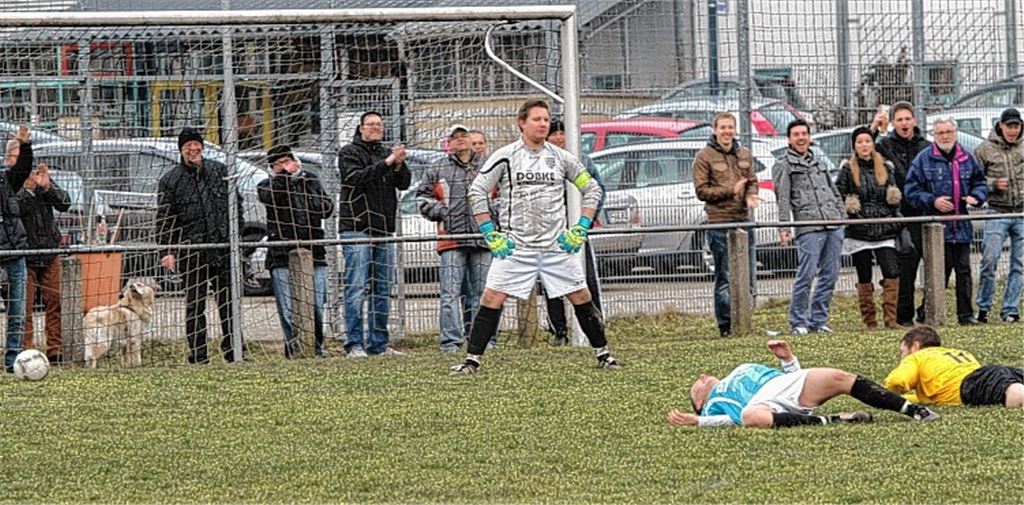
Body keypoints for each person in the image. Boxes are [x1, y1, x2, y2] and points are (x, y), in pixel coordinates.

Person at [449, 98, 620, 374]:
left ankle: (604, 354)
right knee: (492, 297)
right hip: (516, 247)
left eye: (546, 119)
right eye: (537, 119)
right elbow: (477, 190)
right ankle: (472, 361)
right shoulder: (505, 155)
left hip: (555, 246)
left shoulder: (561, 157)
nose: (543, 124)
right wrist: (490, 233)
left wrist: (580, 228)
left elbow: (593, 189)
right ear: (522, 123)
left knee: (581, 294)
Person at [666, 339, 941, 428]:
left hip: (784, 387)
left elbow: (786, 380)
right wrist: (698, 421)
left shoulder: (740, 368)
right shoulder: (712, 405)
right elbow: (731, 420)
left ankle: (912, 410)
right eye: (698, 384)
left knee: (838, 377)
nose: (702, 377)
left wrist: (788, 360)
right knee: (751, 416)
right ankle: (833, 420)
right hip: (762, 405)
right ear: (700, 401)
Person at [156, 127, 245, 364]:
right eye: (188, 146)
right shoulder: (170, 181)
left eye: (197, 144)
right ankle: (198, 355)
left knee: (229, 303)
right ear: (181, 150)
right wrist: (167, 251)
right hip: (192, 252)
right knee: (195, 306)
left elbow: (237, 206)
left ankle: (235, 351)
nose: (193, 149)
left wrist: (238, 239)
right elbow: (165, 219)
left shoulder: (220, 171)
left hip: (223, 247)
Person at [337, 111, 411, 357]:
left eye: (380, 124)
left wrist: (399, 164)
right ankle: (354, 343)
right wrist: (389, 163)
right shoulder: (349, 152)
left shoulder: (385, 153)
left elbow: (404, 184)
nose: (376, 128)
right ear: (360, 128)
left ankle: (379, 343)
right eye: (371, 125)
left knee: (381, 288)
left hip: (383, 228)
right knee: (356, 287)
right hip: (356, 227)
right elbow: (356, 178)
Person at [905, 117, 987, 325]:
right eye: (941, 133)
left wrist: (976, 197)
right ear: (934, 135)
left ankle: (966, 315)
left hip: (961, 225)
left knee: (964, 272)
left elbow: (980, 183)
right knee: (938, 274)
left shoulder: (966, 159)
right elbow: (911, 191)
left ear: (956, 132)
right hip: (936, 227)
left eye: (949, 132)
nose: (945, 136)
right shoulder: (923, 160)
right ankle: (927, 311)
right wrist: (933, 201)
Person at [416, 124, 491, 353]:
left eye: (464, 136)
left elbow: (503, 194)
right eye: (455, 137)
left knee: (483, 295)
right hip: (451, 239)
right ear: (448, 142)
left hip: (483, 237)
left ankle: (482, 341)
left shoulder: (487, 166)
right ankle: (451, 342)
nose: (460, 140)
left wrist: (492, 215)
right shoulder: (437, 167)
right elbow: (422, 198)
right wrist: (443, 213)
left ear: (471, 139)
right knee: (450, 293)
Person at [257, 145, 333, 359]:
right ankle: (296, 351)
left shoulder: (310, 180)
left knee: (316, 304)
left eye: (287, 161)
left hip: (314, 252)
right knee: (290, 310)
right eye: (279, 164)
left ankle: (316, 349)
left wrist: (304, 184)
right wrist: (285, 177)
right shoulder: (267, 185)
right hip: (281, 255)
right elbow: (272, 197)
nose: (285, 166)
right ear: (273, 168)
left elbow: (326, 208)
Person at [772, 119, 845, 335]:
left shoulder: (819, 163)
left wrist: (841, 216)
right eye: (796, 134)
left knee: (830, 274)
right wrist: (784, 226)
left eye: (804, 133)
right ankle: (799, 321)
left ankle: (818, 320)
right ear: (789, 139)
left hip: (832, 223)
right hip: (808, 226)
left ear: (809, 137)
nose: (801, 138)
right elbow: (782, 198)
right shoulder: (784, 165)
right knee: (806, 274)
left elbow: (833, 190)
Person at [693, 112, 758, 337]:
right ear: (715, 130)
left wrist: (750, 195)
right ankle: (726, 325)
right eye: (723, 128)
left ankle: (745, 321)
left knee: (747, 275)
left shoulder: (744, 154)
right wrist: (731, 191)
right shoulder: (704, 156)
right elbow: (702, 191)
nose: (727, 132)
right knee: (725, 277)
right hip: (719, 222)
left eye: (730, 127)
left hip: (744, 221)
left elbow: (752, 181)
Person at [542, 119, 606, 346]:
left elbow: (597, 190)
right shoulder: (541, 163)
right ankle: (559, 331)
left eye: (562, 133)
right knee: (552, 282)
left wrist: (585, 222)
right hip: (549, 234)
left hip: (576, 231)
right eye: (554, 134)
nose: (559, 138)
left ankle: (596, 325)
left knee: (586, 278)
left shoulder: (582, 161)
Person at [834, 126, 902, 329]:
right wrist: (854, 216)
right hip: (859, 230)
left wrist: (893, 219)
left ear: (873, 144)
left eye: (867, 141)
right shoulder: (847, 169)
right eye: (859, 142)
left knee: (891, 271)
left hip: (884, 228)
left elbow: (894, 196)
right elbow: (840, 195)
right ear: (854, 146)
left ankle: (891, 319)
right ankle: (870, 321)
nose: (864, 145)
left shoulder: (886, 168)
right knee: (864, 274)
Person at [875, 101, 932, 326]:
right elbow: (865, 148)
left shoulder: (926, 146)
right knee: (906, 267)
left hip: (924, 212)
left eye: (907, 118)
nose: (904, 123)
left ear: (914, 121)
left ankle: (927, 310)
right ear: (893, 123)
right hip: (899, 215)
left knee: (937, 265)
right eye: (899, 119)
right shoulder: (886, 146)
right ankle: (904, 314)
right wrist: (875, 128)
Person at [884, 326, 1023, 407]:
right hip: (992, 374)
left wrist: (882, 395)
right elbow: (920, 398)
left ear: (915, 346)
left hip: (971, 385)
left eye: (902, 352)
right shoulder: (956, 353)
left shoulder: (917, 356)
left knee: (1015, 394)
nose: (901, 358)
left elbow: (896, 381)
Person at [973, 107, 1023, 324]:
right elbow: (973, 180)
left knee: (1020, 264)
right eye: (1009, 126)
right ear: (1000, 126)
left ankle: (1010, 309)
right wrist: (992, 185)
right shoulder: (984, 150)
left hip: (1022, 212)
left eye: (1017, 126)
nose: (1013, 131)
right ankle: (983, 307)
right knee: (989, 260)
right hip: (997, 211)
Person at [18, 160, 71, 364]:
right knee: (25, 307)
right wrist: (29, 191)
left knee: (54, 302)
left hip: (49, 250)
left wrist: (48, 187)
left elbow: (65, 203)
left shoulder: (43, 181)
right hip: (25, 253)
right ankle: (26, 352)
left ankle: (55, 351)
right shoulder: (11, 184)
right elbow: (14, 209)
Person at [1, 126, 29, 373]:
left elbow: (23, 169)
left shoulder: (7, 180)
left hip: (14, 253)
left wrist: (26, 146)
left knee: (17, 312)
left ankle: (13, 361)